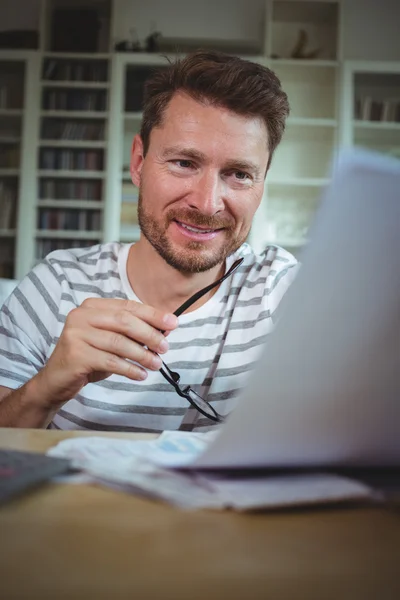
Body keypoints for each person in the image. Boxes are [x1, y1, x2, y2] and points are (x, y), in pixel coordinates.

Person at [0, 50, 298, 432]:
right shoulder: (55, 284)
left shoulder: (285, 290)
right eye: (184, 163)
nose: (206, 203)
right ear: (139, 162)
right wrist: (45, 389)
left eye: (239, 173)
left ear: (262, 182)